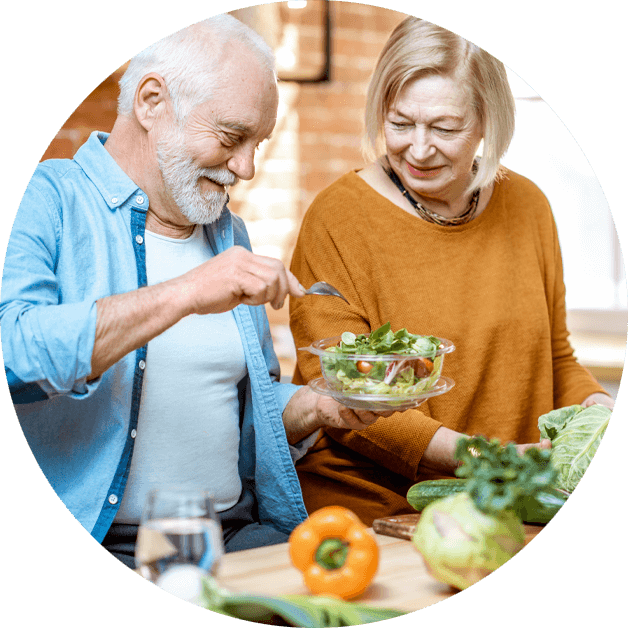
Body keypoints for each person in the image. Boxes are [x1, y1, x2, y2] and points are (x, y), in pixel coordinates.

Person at [1, 15, 385, 568]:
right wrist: (185, 292)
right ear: (152, 101)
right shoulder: (47, 198)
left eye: (258, 143)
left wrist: (317, 405)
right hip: (111, 538)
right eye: (232, 137)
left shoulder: (228, 234)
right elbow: (14, 356)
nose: (246, 167)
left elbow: (237, 412)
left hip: (235, 533)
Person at [289, 17, 614, 527]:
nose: (418, 150)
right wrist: (490, 459)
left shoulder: (528, 206)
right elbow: (343, 395)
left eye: (445, 128)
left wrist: (595, 414)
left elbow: (555, 358)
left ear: (488, 122)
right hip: (377, 513)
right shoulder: (338, 217)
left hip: (505, 505)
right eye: (399, 124)